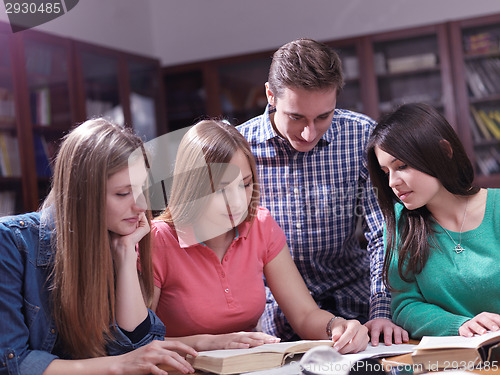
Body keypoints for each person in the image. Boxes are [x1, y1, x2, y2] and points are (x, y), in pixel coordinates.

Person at [238, 38, 407, 346]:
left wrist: (382, 308)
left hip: (353, 296)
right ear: (270, 95)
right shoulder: (239, 148)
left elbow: (383, 231)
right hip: (271, 309)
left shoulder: (360, 135)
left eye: (323, 117)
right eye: (296, 117)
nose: (309, 133)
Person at [151, 119, 369, 354]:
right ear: (193, 186)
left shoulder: (260, 226)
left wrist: (336, 326)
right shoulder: (157, 241)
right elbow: (134, 344)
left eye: (244, 185)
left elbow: (305, 315)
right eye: (221, 189)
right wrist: (204, 343)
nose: (237, 202)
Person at [0, 118, 198, 375]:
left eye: (142, 189)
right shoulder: (11, 243)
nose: (140, 206)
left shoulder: (116, 236)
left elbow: (140, 346)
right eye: (123, 193)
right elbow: (13, 363)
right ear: (82, 195)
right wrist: (119, 366)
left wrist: (126, 256)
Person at [366, 102, 500, 338]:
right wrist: (460, 325)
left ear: (444, 152)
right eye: (386, 172)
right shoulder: (401, 223)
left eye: (402, 166)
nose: (392, 183)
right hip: (454, 358)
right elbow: (405, 305)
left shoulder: (496, 208)